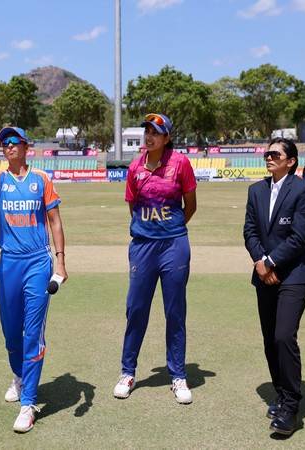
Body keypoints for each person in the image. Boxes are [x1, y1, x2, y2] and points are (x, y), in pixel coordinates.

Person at [0, 126, 68, 433]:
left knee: (33, 333)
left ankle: (28, 403)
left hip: (37, 263)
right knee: (10, 333)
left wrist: (60, 260)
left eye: (14, 142)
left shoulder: (41, 180)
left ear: (25, 146)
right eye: (4, 143)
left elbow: (55, 221)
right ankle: (19, 377)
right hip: (8, 264)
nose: (8, 147)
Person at [113, 113, 197, 404]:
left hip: (174, 245)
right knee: (136, 309)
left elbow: (191, 205)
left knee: (175, 312)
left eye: (156, 132)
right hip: (143, 246)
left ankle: (178, 375)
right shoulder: (135, 166)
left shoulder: (181, 163)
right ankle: (127, 371)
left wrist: (170, 229)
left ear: (167, 138)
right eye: (147, 131)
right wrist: (148, 231)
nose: (149, 136)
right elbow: (133, 206)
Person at [243, 137, 305, 436]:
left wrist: (270, 261)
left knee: (285, 335)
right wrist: (261, 262)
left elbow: (300, 237)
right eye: (267, 153)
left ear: (291, 161)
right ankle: (281, 392)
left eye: (275, 153)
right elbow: (249, 230)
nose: (269, 157)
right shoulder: (256, 190)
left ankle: (291, 406)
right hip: (264, 274)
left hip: (295, 275)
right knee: (270, 339)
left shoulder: (303, 190)